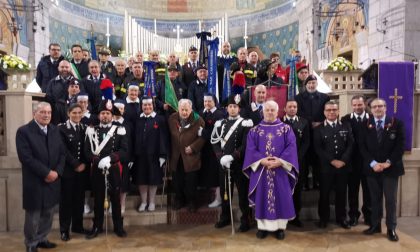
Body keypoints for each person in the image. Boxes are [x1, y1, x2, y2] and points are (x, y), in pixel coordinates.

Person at [243, 100, 299, 240]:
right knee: (262, 197)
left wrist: (280, 161)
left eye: (272, 110)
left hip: (280, 170)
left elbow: (291, 147)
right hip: (261, 170)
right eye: (267, 110)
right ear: (262, 111)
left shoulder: (286, 129)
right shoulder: (254, 130)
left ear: (278, 111)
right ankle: (262, 228)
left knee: (281, 197)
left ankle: (280, 228)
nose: (269, 112)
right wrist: (261, 160)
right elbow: (250, 149)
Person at [16, 102, 65, 252]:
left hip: (53, 180)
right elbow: (26, 158)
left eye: (49, 112)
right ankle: (31, 243)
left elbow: (62, 154)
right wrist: (46, 173)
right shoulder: (24, 131)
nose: (46, 115)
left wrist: (57, 172)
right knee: (33, 215)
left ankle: (42, 238)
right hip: (35, 181)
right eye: (43, 112)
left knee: (48, 213)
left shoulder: (55, 130)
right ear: (34, 114)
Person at [360, 98, 405, 242]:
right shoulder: (365, 125)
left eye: (380, 106)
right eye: (375, 107)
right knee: (374, 199)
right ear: (370, 109)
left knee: (391, 200)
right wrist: (373, 163)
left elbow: (400, 147)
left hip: (391, 169)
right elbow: (362, 148)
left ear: (386, 108)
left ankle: (391, 228)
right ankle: (375, 225)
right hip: (372, 169)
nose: (378, 109)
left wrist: (388, 163)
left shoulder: (397, 124)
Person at [84, 99, 129, 239]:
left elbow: (124, 150)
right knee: (98, 199)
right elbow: (87, 151)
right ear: (98, 115)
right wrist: (96, 160)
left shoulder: (119, 129)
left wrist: (111, 158)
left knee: (115, 199)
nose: (105, 116)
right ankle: (97, 226)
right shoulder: (91, 129)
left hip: (114, 169)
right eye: (102, 113)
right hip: (97, 169)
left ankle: (118, 227)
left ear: (112, 115)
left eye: (108, 113)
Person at [211, 94, 253, 232]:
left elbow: (245, 144)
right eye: (230, 106)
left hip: (239, 164)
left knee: (242, 194)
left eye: (235, 106)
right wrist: (221, 158)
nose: (233, 109)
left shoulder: (245, 123)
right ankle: (225, 217)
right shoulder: (220, 124)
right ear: (227, 108)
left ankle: (245, 220)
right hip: (223, 164)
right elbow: (215, 143)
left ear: (239, 108)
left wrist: (232, 157)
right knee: (225, 193)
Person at [314, 101, 353, 229]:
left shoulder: (346, 126)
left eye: (334, 110)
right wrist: (332, 161)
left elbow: (351, 145)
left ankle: (341, 218)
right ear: (324, 112)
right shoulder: (319, 129)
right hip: (326, 168)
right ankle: (323, 219)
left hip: (343, 167)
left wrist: (343, 160)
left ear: (338, 111)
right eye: (329, 110)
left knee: (341, 194)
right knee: (324, 194)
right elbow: (318, 148)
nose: (331, 112)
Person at [168, 99, 205, 212]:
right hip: (176, 156)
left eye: (186, 110)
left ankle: (192, 202)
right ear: (178, 109)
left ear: (191, 109)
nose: (184, 112)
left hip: (190, 157)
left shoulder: (198, 120)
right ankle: (179, 200)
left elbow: (203, 137)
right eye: (182, 110)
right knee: (177, 181)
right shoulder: (172, 118)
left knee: (191, 182)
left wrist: (193, 147)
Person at [57, 104, 87, 241]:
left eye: (79, 112)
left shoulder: (84, 128)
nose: (77, 115)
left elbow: (88, 148)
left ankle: (77, 226)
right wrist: (75, 164)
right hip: (68, 171)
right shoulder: (61, 129)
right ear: (68, 113)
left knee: (79, 200)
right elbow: (63, 150)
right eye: (74, 112)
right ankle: (64, 230)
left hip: (82, 171)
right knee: (66, 201)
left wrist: (84, 164)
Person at [295, 74, 330, 190]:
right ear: (305, 85)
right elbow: (299, 113)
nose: (311, 85)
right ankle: (304, 182)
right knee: (304, 158)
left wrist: (320, 122)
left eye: (313, 83)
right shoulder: (298, 98)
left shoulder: (325, 97)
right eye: (309, 83)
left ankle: (317, 181)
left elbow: (328, 112)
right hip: (304, 131)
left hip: (320, 130)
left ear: (317, 84)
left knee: (318, 157)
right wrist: (310, 123)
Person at [134, 97, 168, 212]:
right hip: (140, 156)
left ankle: (152, 202)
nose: (147, 107)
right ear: (141, 106)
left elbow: (164, 138)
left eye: (149, 105)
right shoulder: (138, 119)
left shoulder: (160, 119)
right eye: (144, 105)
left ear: (153, 105)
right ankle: (144, 202)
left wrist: (163, 155)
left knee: (153, 179)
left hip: (154, 155)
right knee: (141, 179)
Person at [341, 95, 371, 226]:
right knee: (352, 191)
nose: (357, 107)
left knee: (368, 191)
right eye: (355, 105)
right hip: (352, 162)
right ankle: (353, 215)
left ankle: (368, 215)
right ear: (351, 105)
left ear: (364, 104)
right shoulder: (345, 119)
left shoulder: (371, 118)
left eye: (360, 105)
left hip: (368, 162)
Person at [282, 100, 310, 227]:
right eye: (290, 107)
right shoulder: (279, 122)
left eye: (295, 106)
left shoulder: (304, 122)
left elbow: (306, 142)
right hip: (282, 163)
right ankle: (283, 216)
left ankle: (295, 216)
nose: (292, 109)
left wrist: (296, 157)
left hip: (299, 162)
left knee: (297, 190)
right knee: (283, 190)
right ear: (284, 108)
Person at [199, 94, 225, 208]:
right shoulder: (202, 113)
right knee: (209, 174)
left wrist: (202, 133)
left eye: (209, 101)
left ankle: (218, 199)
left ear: (215, 101)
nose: (207, 103)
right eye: (205, 101)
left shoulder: (219, 114)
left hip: (215, 150)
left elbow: (217, 134)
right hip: (205, 150)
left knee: (216, 175)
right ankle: (212, 197)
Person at [45, 60, 76, 124]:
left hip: (72, 112)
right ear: (58, 68)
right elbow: (48, 98)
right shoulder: (52, 82)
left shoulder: (77, 82)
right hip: (56, 113)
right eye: (62, 67)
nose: (64, 69)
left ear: (70, 68)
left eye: (66, 67)